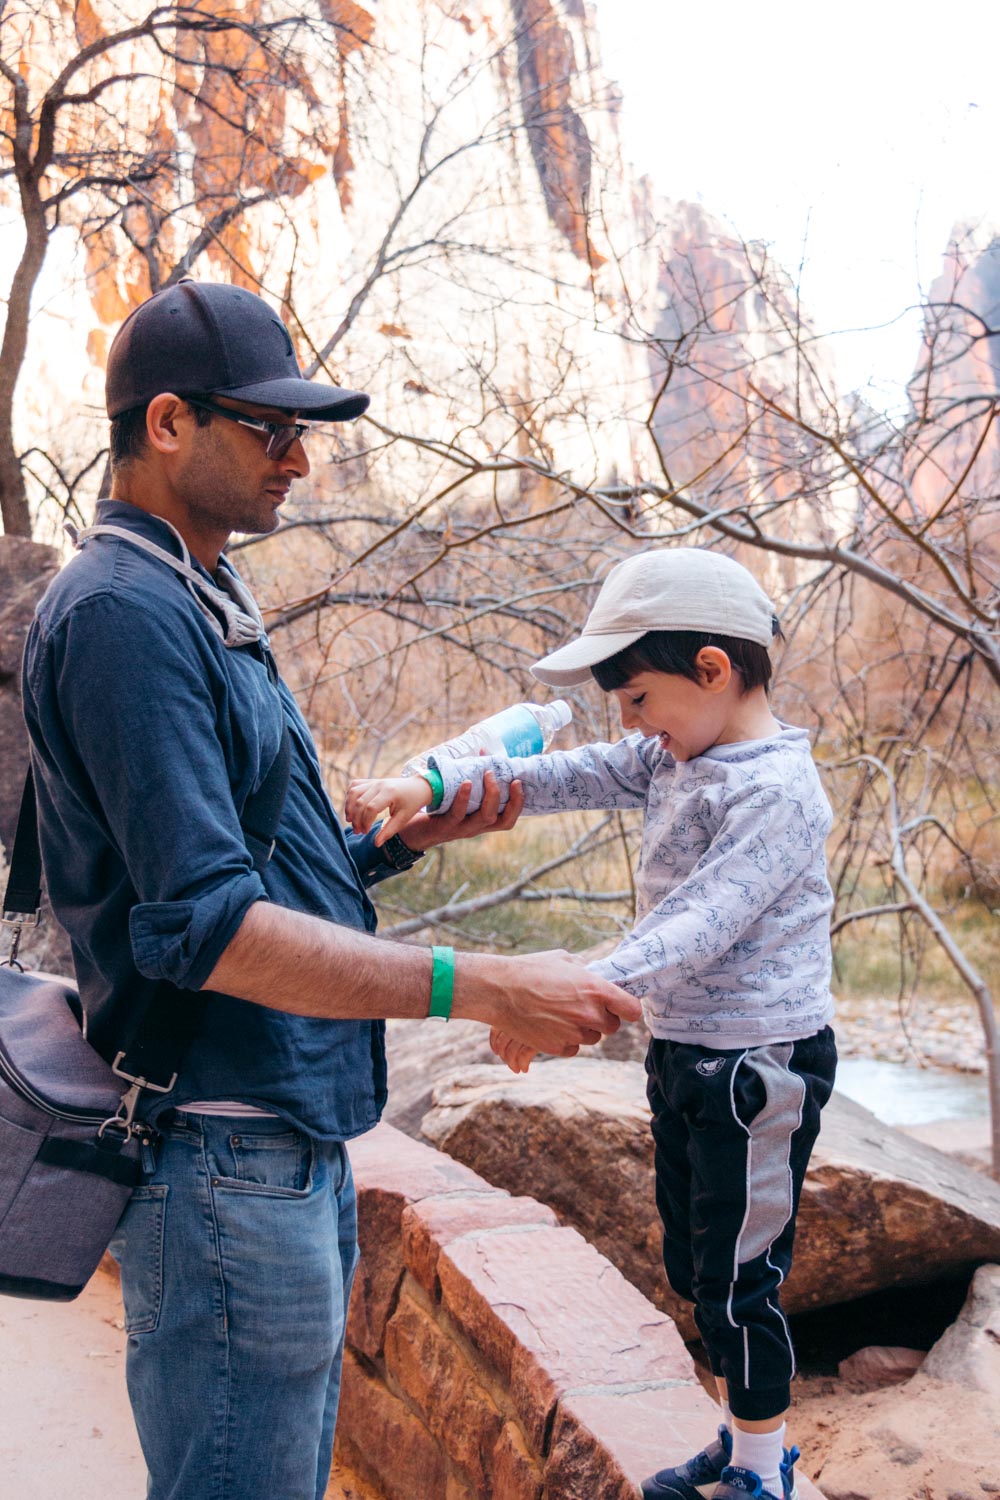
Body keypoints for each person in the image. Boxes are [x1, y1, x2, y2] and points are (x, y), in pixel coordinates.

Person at [20, 279, 640, 1500]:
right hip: (223, 1155)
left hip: (277, 1149)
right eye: (271, 428)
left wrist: (408, 838)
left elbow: (260, 879)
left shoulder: (201, 590)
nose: (299, 460)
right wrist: (481, 986)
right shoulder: (123, 616)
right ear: (165, 426)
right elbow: (206, 930)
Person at [347, 547, 838, 1500]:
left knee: (744, 1278)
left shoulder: (775, 790)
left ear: (712, 669)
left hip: (759, 1064)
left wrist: (575, 991)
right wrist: (430, 789)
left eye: (639, 697)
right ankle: (744, 1440)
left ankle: (764, 1469)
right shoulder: (675, 753)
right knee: (695, 1263)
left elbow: (702, 922)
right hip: (689, 1052)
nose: (630, 723)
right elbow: (564, 774)